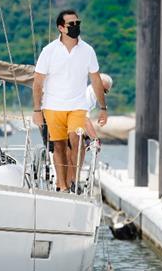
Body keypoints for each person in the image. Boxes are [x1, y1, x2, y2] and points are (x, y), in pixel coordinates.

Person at [33, 10, 108, 192]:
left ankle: (74, 179)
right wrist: (36, 110)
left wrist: (103, 107)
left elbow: (96, 79)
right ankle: (63, 185)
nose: (76, 27)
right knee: (58, 146)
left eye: (77, 23)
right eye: (71, 24)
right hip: (52, 106)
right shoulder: (48, 51)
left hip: (77, 106)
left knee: (77, 139)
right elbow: (37, 82)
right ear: (61, 28)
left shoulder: (88, 50)